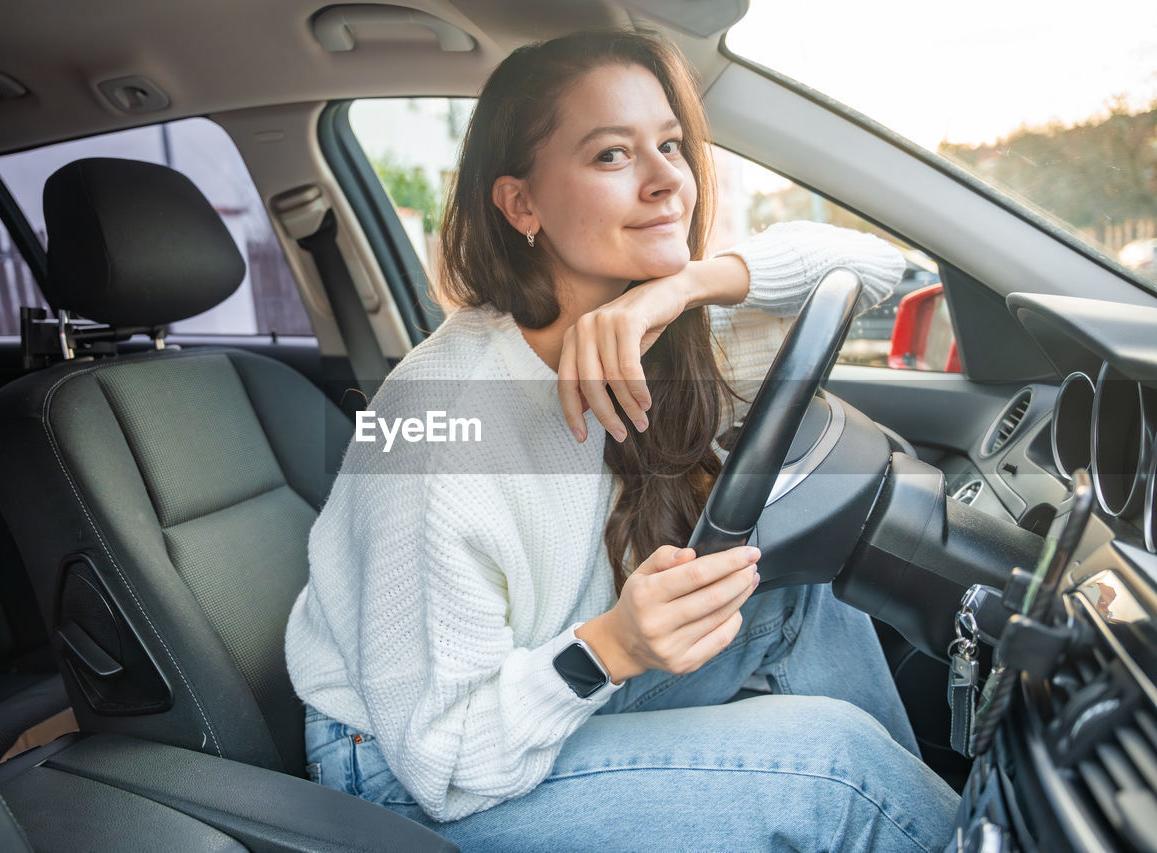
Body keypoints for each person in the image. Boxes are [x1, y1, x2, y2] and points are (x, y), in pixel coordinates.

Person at [286, 29, 959, 851]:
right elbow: (445, 755)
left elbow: (869, 266)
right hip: (403, 767)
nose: (667, 178)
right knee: (836, 771)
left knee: (799, 586)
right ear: (521, 205)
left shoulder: (673, 330)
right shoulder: (439, 434)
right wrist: (615, 642)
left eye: (670, 145)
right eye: (612, 155)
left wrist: (681, 287)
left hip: (544, 690)